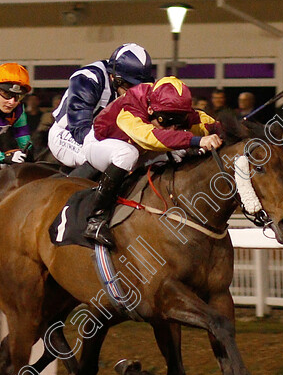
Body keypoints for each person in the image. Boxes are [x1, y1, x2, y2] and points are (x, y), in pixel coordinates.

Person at [82, 76, 221, 247]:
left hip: (141, 149)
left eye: (177, 124)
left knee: (179, 152)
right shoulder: (131, 105)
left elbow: (207, 123)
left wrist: (223, 133)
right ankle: (96, 218)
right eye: (166, 122)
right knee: (128, 154)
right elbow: (150, 137)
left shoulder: (172, 107)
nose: (172, 129)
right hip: (101, 143)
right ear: (149, 110)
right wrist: (196, 141)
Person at [48, 43, 154, 170]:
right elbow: (80, 129)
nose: (136, 93)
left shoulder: (129, 84)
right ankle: (80, 190)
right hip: (69, 134)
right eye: (130, 86)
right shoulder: (89, 78)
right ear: (115, 78)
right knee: (113, 157)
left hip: (101, 136)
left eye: (140, 87)